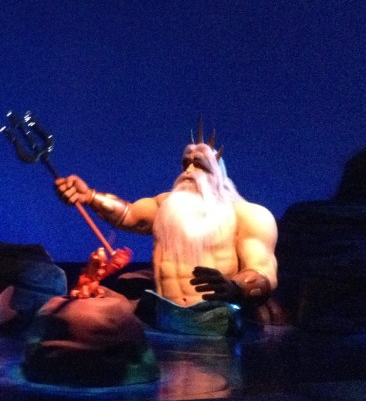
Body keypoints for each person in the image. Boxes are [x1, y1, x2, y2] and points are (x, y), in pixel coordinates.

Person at [55, 131, 277, 332]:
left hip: (218, 328)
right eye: (186, 163)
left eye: (199, 165)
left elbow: (263, 270)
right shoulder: (165, 206)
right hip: (162, 325)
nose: (189, 171)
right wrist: (90, 196)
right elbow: (128, 215)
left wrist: (235, 287)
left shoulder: (248, 215)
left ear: (217, 171)